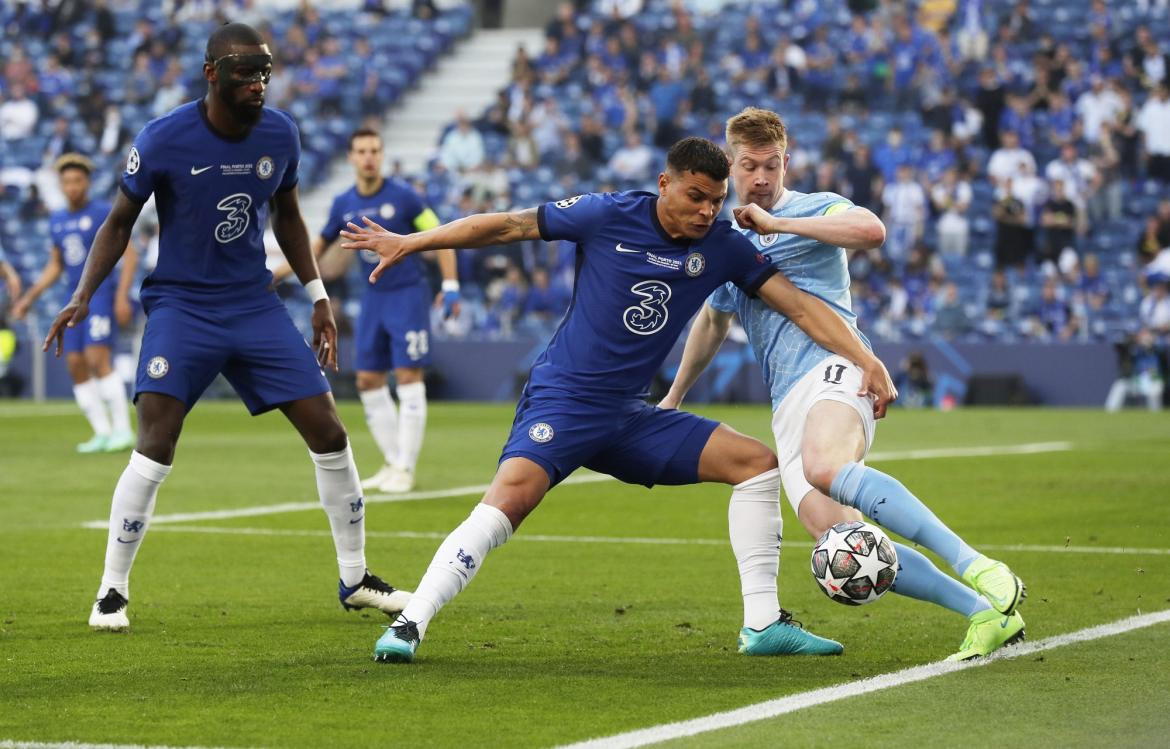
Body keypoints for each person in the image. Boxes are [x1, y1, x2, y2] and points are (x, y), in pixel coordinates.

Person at [341, 136, 897, 663]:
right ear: (665, 183)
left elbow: (800, 307)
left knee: (756, 465)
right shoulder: (607, 214)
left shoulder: (723, 247)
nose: (707, 211)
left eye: (717, 201)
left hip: (629, 415)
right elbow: (507, 225)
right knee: (510, 499)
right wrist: (412, 241)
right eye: (696, 197)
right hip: (566, 398)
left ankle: (763, 624)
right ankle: (410, 621)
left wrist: (866, 360)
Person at [42, 23, 410, 632]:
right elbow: (117, 223)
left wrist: (317, 295)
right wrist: (83, 294)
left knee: (329, 430)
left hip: (252, 305)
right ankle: (112, 590)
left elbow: (288, 217)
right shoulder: (163, 139)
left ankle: (355, 578)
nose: (258, 84)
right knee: (155, 441)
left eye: (265, 72)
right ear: (212, 73)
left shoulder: (280, 133)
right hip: (183, 307)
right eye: (245, 73)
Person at [660, 108, 1027, 662]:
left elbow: (871, 231)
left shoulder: (812, 208)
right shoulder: (726, 241)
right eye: (749, 166)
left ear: (787, 161)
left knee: (824, 465)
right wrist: (674, 397)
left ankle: (980, 565)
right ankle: (985, 614)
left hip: (839, 366)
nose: (761, 177)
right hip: (787, 401)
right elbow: (713, 321)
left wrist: (778, 224)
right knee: (846, 541)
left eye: (772, 164)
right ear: (732, 165)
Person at [301, 127, 460, 494]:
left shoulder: (405, 198)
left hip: (407, 294)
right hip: (372, 297)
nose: (369, 156)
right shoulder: (343, 204)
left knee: (408, 376)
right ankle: (392, 462)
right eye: (362, 150)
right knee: (367, 381)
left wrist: (450, 285)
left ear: (382, 155)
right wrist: (280, 272)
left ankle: (405, 466)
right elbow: (318, 246)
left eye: (374, 150)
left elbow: (442, 235)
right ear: (351, 158)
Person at [13, 153, 137, 453]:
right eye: (67, 181)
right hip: (71, 301)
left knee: (98, 360)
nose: (72, 187)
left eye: (77, 181)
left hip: (100, 296)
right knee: (76, 365)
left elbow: (130, 254)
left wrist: (121, 296)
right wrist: (30, 297)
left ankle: (124, 431)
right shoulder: (57, 219)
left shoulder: (101, 212)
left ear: (88, 183)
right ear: (60, 184)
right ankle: (102, 433)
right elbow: (56, 265)